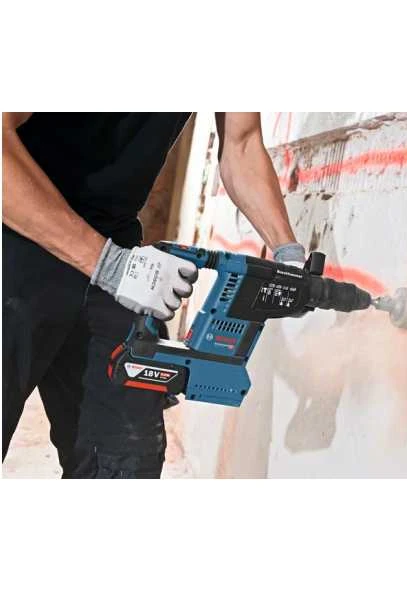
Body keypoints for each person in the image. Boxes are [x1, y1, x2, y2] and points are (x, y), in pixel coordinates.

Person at [2, 112, 305, 478]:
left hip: (112, 244)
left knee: (126, 461)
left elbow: (241, 145)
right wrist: (110, 265)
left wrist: (288, 252)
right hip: (15, 229)